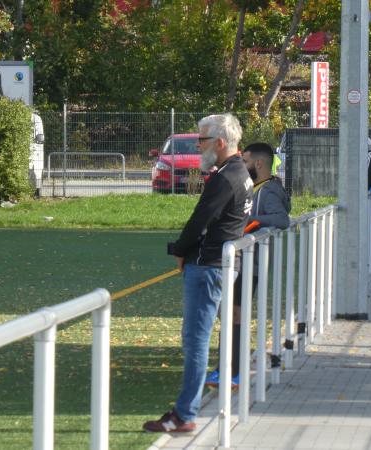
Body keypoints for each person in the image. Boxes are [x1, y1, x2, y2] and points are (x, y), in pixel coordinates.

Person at [143, 113, 253, 433]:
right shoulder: (238, 172)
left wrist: (180, 250)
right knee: (206, 338)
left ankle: (184, 414)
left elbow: (200, 220)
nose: (198, 145)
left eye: (202, 140)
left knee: (195, 342)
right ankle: (193, 407)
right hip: (220, 264)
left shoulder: (226, 177)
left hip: (209, 267)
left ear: (220, 142)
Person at [204, 141, 291, 388]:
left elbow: (282, 219)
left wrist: (251, 222)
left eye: (245, 161)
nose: (242, 165)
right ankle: (226, 368)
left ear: (259, 163)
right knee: (230, 313)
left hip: (249, 261)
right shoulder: (258, 187)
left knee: (234, 313)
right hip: (243, 260)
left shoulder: (268, 189)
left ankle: (233, 371)